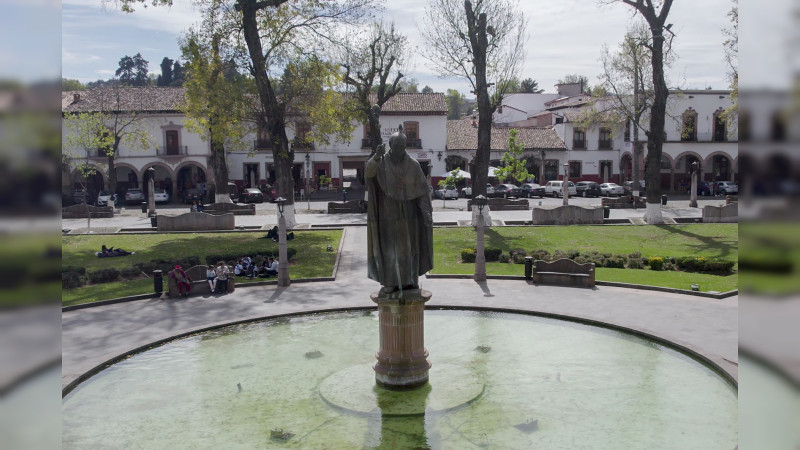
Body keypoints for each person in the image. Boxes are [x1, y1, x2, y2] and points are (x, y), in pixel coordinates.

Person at [365, 122, 433, 295]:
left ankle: (410, 279)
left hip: (410, 215)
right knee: (390, 249)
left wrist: (426, 212)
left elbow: (422, 191)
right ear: (391, 146)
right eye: (397, 146)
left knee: (410, 248)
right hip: (387, 215)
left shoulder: (413, 165)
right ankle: (390, 281)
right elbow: (368, 173)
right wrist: (376, 157)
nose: (400, 149)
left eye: (403, 146)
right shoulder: (381, 163)